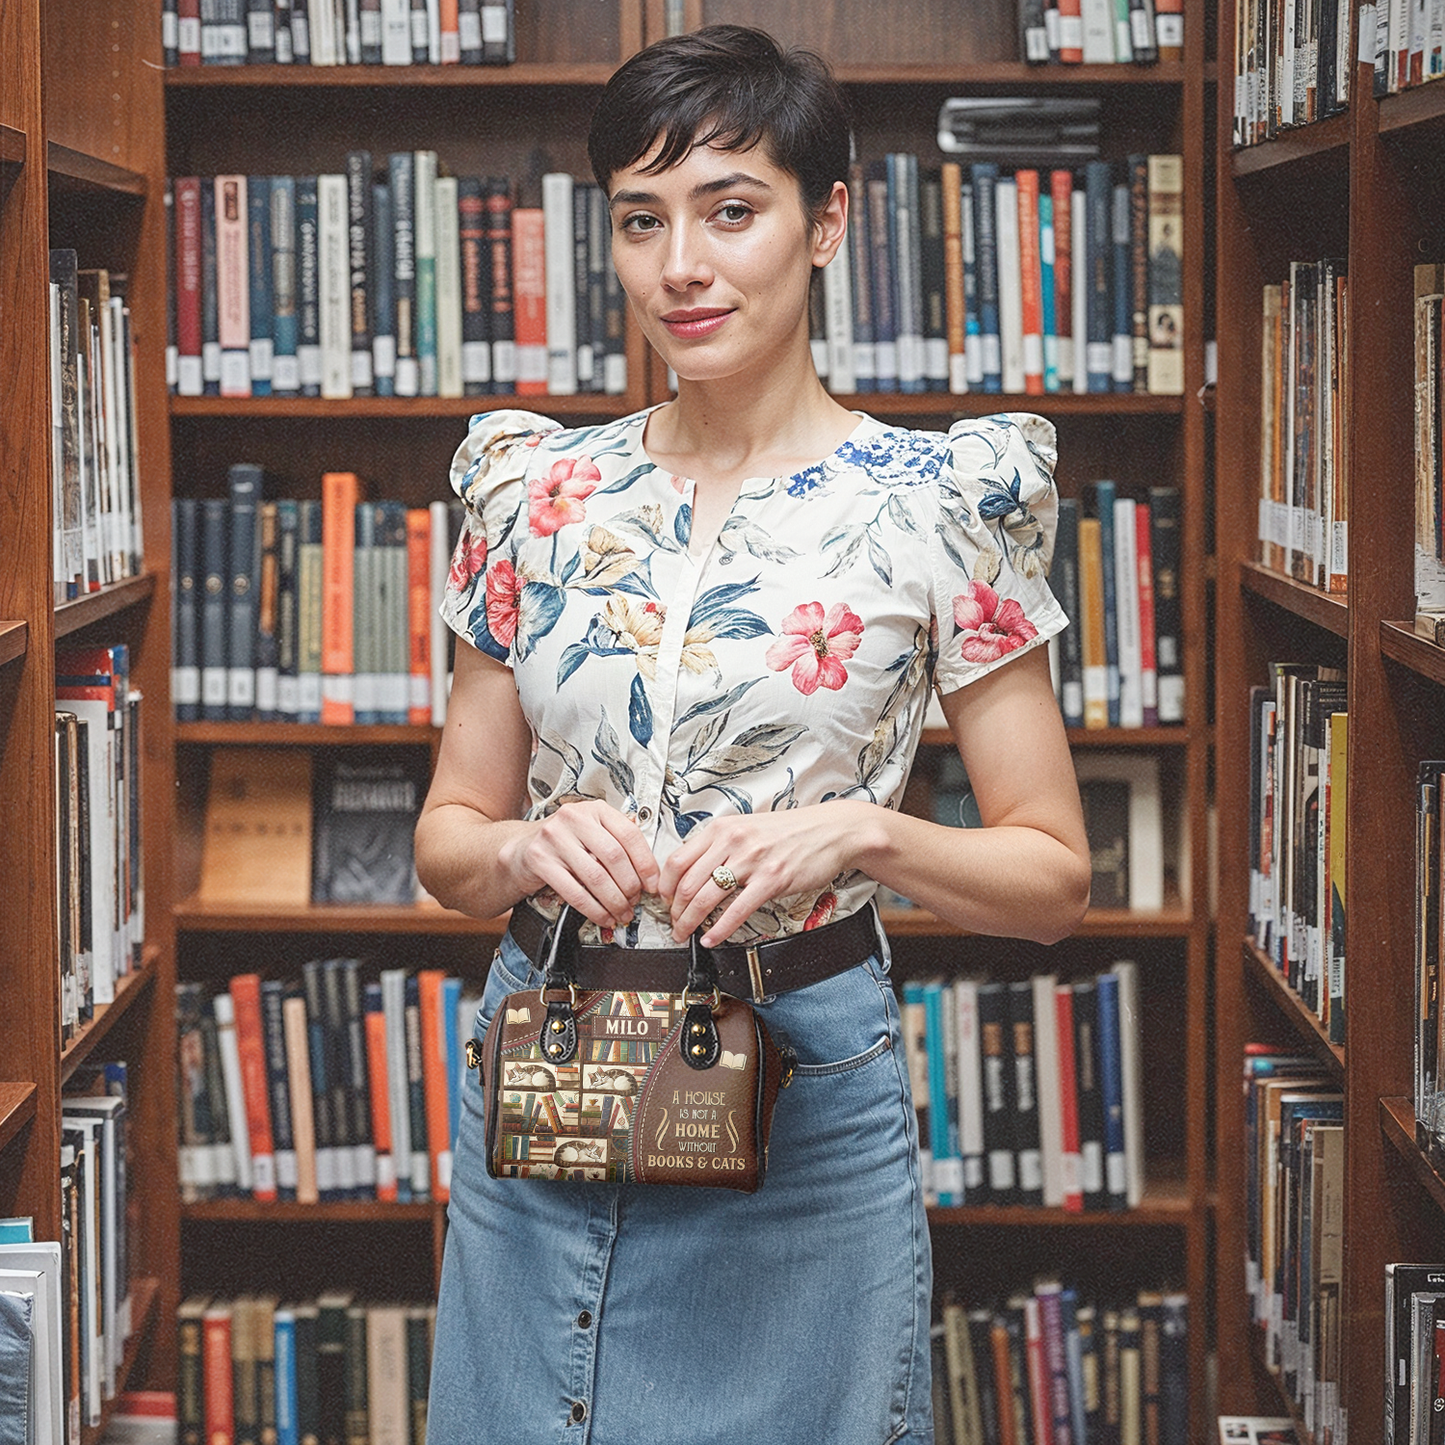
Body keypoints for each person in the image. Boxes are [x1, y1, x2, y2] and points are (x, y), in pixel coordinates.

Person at [417, 24, 1091, 1444]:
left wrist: (865, 831)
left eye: (733, 210)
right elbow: (447, 844)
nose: (683, 267)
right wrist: (529, 846)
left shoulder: (936, 505)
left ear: (826, 221)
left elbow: (1052, 879)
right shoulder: (538, 496)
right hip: (548, 1056)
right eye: (642, 220)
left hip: (801, 1076)